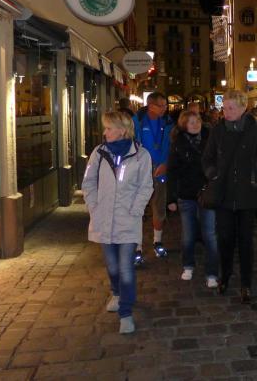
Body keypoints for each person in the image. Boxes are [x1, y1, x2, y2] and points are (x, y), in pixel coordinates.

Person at [82, 111, 153, 334]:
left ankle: (126, 313)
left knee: (126, 268)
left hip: (128, 220)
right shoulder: (99, 153)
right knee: (112, 266)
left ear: (122, 130)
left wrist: (136, 210)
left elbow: (146, 186)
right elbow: (88, 182)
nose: (105, 132)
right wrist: (94, 206)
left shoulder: (141, 155)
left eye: (109, 128)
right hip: (104, 218)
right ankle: (116, 292)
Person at [202, 89, 257, 303]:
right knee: (225, 239)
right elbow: (207, 158)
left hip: (246, 195)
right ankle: (225, 275)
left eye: (231, 108)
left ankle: (246, 282)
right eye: (225, 108)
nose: (227, 112)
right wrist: (213, 175)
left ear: (243, 108)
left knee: (245, 241)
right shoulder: (218, 130)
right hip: (223, 194)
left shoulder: (254, 130)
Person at [167, 110, 218, 288]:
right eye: (191, 122)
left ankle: (212, 272)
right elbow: (172, 172)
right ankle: (188, 265)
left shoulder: (211, 139)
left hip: (207, 193)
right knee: (188, 235)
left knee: (210, 234)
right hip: (186, 195)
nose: (196, 125)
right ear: (184, 125)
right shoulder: (178, 143)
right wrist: (170, 198)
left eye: (197, 121)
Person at [132, 92, 175, 265]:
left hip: (160, 170)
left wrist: (165, 163)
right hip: (140, 171)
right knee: (138, 209)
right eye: (161, 105)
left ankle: (157, 241)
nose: (165, 108)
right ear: (151, 106)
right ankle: (137, 247)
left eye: (165, 105)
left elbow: (171, 146)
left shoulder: (168, 123)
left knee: (159, 207)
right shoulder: (137, 121)